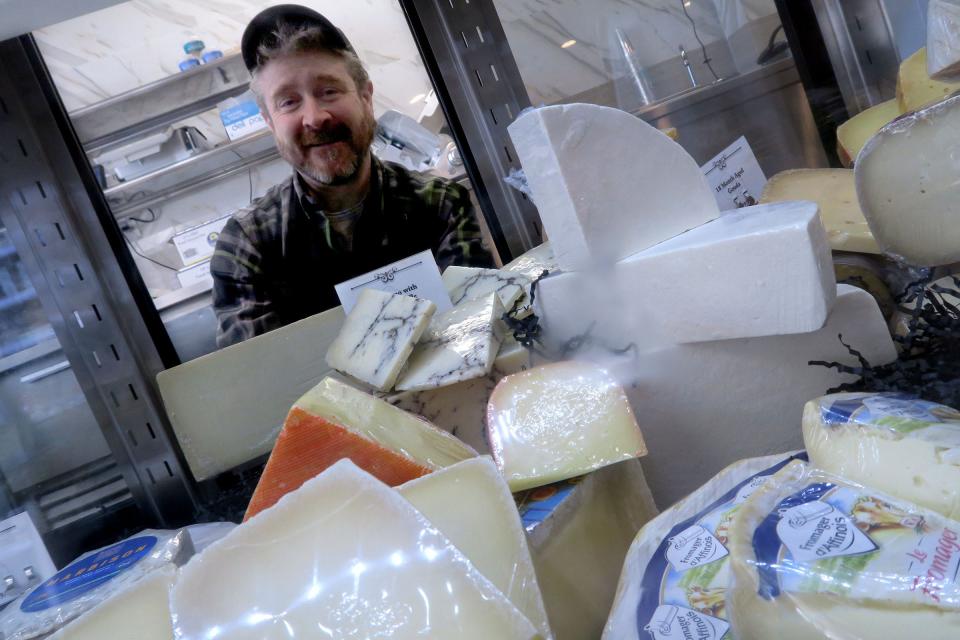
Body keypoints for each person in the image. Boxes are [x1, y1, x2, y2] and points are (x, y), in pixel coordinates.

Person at [211, 4, 494, 347]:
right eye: (288, 102)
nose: (315, 117)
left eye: (329, 91)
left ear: (365, 97)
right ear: (270, 123)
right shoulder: (247, 243)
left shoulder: (443, 203)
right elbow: (263, 380)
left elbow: (481, 331)